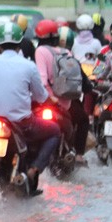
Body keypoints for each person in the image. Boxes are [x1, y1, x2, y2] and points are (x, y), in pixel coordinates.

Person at [0, 22, 60, 196]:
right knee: (54, 130)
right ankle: (34, 169)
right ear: (19, 44)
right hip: (22, 124)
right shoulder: (28, 65)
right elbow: (40, 96)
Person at [34, 20, 90, 165]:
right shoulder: (67, 52)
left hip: (47, 100)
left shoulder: (40, 51)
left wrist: (48, 98)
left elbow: (42, 81)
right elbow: (79, 80)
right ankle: (78, 155)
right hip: (66, 103)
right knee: (84, 119)